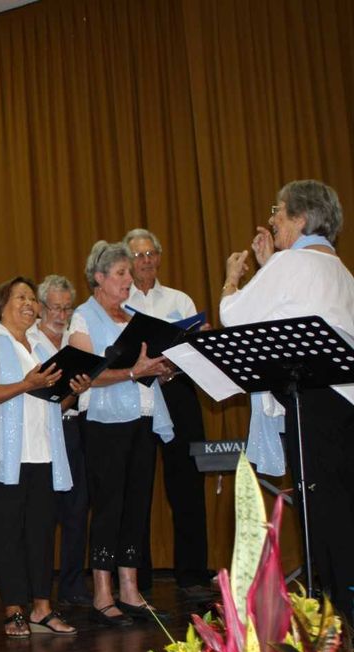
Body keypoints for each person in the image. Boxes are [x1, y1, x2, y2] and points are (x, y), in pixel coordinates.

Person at [221, 179, 354, 620]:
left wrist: (232, 279)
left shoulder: (289, 264)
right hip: (345, 401)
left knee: (322, 513)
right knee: (343, 508)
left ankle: (330, 615)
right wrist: (270, 266)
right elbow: (284, 310)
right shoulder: (340, 271)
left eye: (278, 210)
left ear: (300, 218)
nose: (272, 218)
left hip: (313, 402)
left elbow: (236, 316)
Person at [0, 276, 90, 638]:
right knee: (6, 532)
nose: (30, 304)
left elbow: (50, 404)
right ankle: (13, 609)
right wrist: (25, 384)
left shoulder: (41, 347)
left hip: (41, 451)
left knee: (40, 531)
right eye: (21, 297)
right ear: (0, 305)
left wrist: (73, 392)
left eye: (33, 299)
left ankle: (42, 608)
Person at [69, 242, 175, 626]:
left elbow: (150, 365)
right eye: (121, 274)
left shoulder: (134, 316)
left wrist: (163, 369)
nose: (129, 280)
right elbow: (84, 376)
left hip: (143, 418)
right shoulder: (82, 318)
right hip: (104, 424)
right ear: (99, 278)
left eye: (129, 273)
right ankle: (102, 593)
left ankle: (130, 589)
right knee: (109, 506)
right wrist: (134, 372)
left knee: (137, 504)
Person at [122, 228, 210, 595]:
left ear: (159, 257)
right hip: (137, 394)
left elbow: (197, 350)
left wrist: (186, 354)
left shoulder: (179, 299)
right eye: (138, 255)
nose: (145, 261)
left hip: (177, 391)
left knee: (187, 484)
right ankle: (136, 578)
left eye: (150, 253)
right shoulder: (119, 301)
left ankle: (191, 574)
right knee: (136, 485)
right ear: (127, 261)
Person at [26, 274, 92, 606]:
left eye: (67, 308)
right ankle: (36, 590)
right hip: (38, 431)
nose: (61, 315)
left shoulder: (76, 340)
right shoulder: (28, 340)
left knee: (76, 509)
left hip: (71, 427)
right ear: (40, 307)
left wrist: (78, 390)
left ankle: (72, 585)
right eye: (55, 307)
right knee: (42, 512)